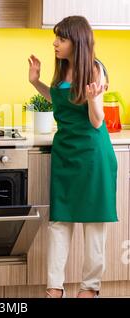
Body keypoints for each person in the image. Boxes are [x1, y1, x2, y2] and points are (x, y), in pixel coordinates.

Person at [28, 16, 117, 298]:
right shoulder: (63, 70)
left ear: (77, 42)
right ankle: (55, 287)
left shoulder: (94, 69)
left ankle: (90, 288)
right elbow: (60, 99)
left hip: (92, 155)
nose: (55, 43)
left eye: (61, 38)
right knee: (59, 222)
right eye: (56, 37)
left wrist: (93, 100)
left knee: (93, 223)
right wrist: (36, 82)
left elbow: (96, 121)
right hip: (66, 152)